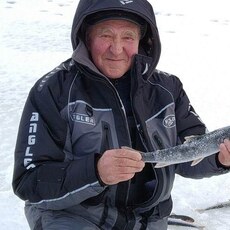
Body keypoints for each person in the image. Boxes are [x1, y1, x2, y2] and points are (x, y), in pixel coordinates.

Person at [12, 0, 230, 229]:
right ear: (87, 37)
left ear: (142, 41)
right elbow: (29, 181)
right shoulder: (54, 90)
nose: (116, 49)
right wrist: (95, 172)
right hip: (73, 217)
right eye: (105, 35)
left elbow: (190, 154)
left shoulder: (168, 89)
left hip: (149, 218)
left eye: (128, 37)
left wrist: (219, 158)